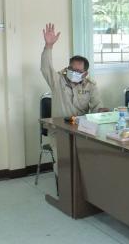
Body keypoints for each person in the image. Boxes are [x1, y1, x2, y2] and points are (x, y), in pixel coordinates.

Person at [41, 23, 105, 175]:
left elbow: (97, 106)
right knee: (64, 160)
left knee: (95, 154)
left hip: (82, 128)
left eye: (78, 71)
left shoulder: (90, 85)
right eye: (72, 69)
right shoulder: (57, 81)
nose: (74, 72)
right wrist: (48, 46)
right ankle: (65, 192)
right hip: (59, 129)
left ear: (85, 73)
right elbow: (45, 68)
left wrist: (102, 111)